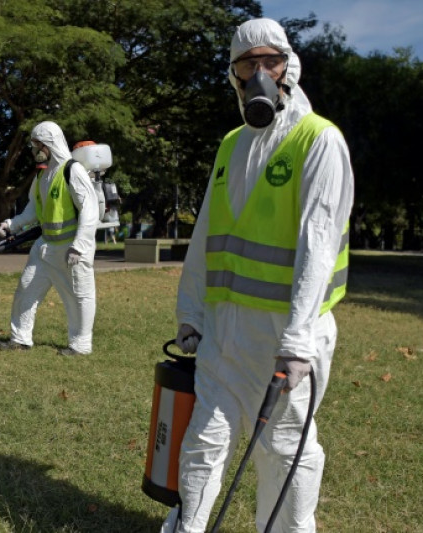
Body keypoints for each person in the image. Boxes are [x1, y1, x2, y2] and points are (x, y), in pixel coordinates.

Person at [163, 18, 354, 532]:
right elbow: (205, 235)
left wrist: (296, 342)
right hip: (224, 329)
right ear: (234, 75)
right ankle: (189, 527)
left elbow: (318, 243)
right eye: (249, 64)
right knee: (205, 437)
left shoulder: (319, 140)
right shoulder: (232, 145)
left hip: (286, 334)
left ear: (289, 66)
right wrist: (191, 311)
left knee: (284, 449)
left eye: (270, 61)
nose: (260, 72)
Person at [0, 121, 99, 356]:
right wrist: (12, 225)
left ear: (50, 143)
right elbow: (33, 209)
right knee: (26, 290)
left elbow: (89, 210)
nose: (34, 149)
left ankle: (80, 345)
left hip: (70, 248)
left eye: (37, 144)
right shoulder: (42, 176)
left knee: (79, 297)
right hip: (44, 247)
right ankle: (20, 338)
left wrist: (79, 246)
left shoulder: (73, 171)